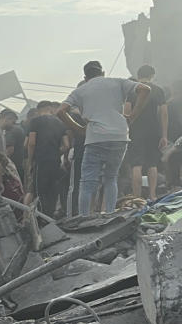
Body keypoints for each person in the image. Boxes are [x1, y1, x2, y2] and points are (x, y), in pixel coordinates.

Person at [57, 61, 151, 216]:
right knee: (111, 177)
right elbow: (145, 89)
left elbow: (61, 111)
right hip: (120, 136)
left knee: (87, 182)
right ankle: (109, 214)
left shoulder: (80, 90)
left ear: (86, 77)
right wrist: (133, 116)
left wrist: (79, 129)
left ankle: (84, 218)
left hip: (96, 138)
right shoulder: (118, 81)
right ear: (103, 73)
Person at [125, 65, 168, 201]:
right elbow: (164, 113)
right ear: (152, 75)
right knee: (152, 163)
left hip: (135, 131)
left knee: (136, 164)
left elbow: (126, 111)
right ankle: (153, 195)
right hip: (153, 131)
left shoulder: (132, 89)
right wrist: (164, 135)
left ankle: (137, 197)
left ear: (138, 75)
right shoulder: (158, 90)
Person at [27, 101, 71, 217]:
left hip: (41, 161)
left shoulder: (35, 121)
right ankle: (51, 217)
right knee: (52, 191)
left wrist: (30, 161)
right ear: (50, 108)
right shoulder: (60, 122)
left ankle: (42, 219)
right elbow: (66, 145)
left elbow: (31, 143)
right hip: (55, 162)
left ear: (38, 110)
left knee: (40, 192)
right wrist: (57, 153)